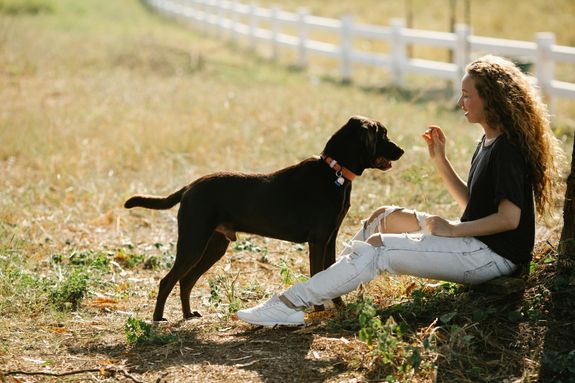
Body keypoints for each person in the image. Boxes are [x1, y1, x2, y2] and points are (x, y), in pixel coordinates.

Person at [236, 55, 563, 327]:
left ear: (490, 99)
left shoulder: (506, 150)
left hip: (493, 257)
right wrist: (441, 161)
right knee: (383, 218)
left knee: (379, 247)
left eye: (467, 95)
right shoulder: (489, 140)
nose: (460, 102)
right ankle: (331, 294)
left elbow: (509, 219)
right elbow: (475, 204)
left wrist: (452, 229)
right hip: (476, 242)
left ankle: (291, 303)